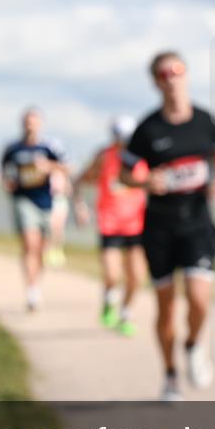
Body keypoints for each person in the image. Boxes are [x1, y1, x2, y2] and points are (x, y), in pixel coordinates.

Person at [120, 52, 215, 401]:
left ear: (187, 74)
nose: (172, 78)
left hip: (198, 224)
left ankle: (194, 344)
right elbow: (124, 173)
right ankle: (169, 375)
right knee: (166, 307)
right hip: (160, 229)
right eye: (164, 74)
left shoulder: (207, 121)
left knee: (198, 300)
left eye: (177, 70)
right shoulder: (147, 129)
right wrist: (144, 181)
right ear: (156, 82)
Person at [73, 114, 149, 337]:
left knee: (137, 276)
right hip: (110, 224)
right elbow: (80, 181)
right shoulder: (104, 156)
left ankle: (125, 314)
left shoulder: (143, 157)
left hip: (136, 224)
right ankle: (109, 301)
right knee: (112, 274)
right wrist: (80, 207)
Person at [1, 108, 69, 311]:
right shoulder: (13, 149)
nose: (30, 125)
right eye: (27, 122)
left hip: (46, 202)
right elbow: (5, 172)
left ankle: (36, 284)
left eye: (33, 121)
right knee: (30, 245)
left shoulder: (50, 147)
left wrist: (48, 166)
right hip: (23, 200)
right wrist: (8, 183)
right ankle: (31, 291)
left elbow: (67, 167)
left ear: (40, 124)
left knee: (41, 249)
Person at [45, 170, 70, 268]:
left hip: (61, 202)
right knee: (51, 228)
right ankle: (48, 251)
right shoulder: (49, 173)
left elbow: (69, 190)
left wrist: (64, 189)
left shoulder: (64, 175)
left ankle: (58, 251)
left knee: (59, 229)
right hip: (51, 202)